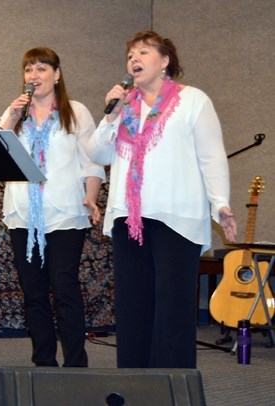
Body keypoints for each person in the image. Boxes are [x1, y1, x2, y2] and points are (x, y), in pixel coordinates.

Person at [84, 30, 237, 369]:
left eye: (143, 52)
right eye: (130, 55)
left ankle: (172, 387)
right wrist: (111, 116)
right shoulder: (125, 106)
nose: (134, 59)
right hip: (130, 219)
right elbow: (96, 152)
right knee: (133, 308)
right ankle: (134, 384)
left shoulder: (192, 100)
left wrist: (220, 203)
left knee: (172, 309)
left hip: (176, 218)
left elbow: (211, 157)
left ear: (165, 60)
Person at [0, 47, 104, 367]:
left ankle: (75, 364)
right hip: (23, 215)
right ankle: (43, 363)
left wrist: (91, 196)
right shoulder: (16, 114)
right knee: (33, 294)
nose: (34, 76)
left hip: (64, 214)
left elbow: (93, 161)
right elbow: (0, 159)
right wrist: (10, 119)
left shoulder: (76, 112)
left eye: (41, 69)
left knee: (65, 290)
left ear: (57, 75)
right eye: (29, 70)